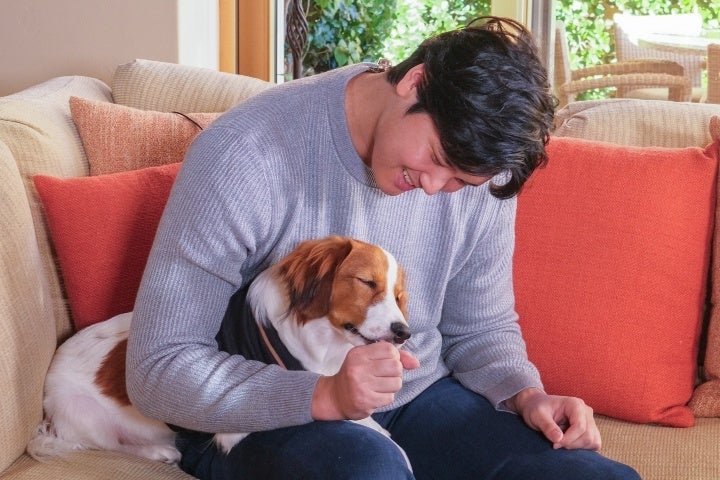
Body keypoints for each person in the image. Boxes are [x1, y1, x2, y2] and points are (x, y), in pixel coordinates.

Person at [127, 16, 641, 479]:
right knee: (369, 471)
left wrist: (526, 395)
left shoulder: (484, 172)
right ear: (416, 82)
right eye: (437, 157)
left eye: (460, 181)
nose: (437, 189)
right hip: (261, 412)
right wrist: (323, 394)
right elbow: (158, 368)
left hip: (415, 399)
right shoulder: (245, 153)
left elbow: (480, 328)